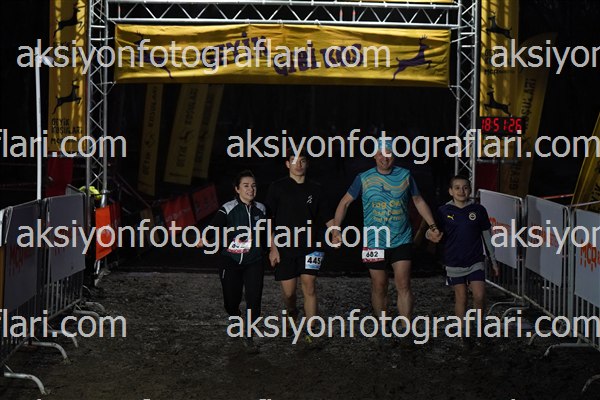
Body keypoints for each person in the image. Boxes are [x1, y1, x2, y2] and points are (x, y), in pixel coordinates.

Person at [331, 139, 442, 328]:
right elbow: (345, 202)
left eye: (388, 153)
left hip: (401, 238)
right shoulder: (364, 178)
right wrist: (336, 229)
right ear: (374, 156)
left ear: (394, 155)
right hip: (374, 241)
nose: (384, 157)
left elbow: (418, 201)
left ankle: (406, 329)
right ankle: (382, 326)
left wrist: (433, 226)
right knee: (379, 285)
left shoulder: (405, 175)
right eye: (380, 153)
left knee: (403, 284)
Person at [197, 170, 266, 351]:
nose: (250, 189)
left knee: (254, 299)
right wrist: (204, 238)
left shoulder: (261, 209)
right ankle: (234, 314)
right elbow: (214, 225)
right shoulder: (228, 208)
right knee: (230, 299)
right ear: (237, 189)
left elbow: (269, 231)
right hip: (230, 260)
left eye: (253, 186)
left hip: (254, 260)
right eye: (246, 186)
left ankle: (249, 336)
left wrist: (272, 249)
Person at [266, 152, 330, 344]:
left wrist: (335, 231)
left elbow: (326, 216)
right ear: (287, 164)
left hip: (312, 245)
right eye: (294, 161)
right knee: (289, 293)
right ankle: (292, 311)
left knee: (309, 286)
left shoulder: (316, 188)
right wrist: (273, 247)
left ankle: (311, 331)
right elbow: (268, 219)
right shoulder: (277, 187)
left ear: (307, 164)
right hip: (284, 247)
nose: (298, 165)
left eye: (302, 161)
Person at [426, 175, 499, 329]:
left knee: (479, 295)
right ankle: (462, 331)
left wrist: (493, 261)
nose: (461, 191)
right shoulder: (443, 211)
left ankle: (479, 327)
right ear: (450, 191)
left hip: (475, 260)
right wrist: (429, 235)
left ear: (470, 190)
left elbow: (487, 236)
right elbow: (432, 231)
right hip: (454, 262)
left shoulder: (478, 210)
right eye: (457, 188)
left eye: (465, 187)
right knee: (462, 297)